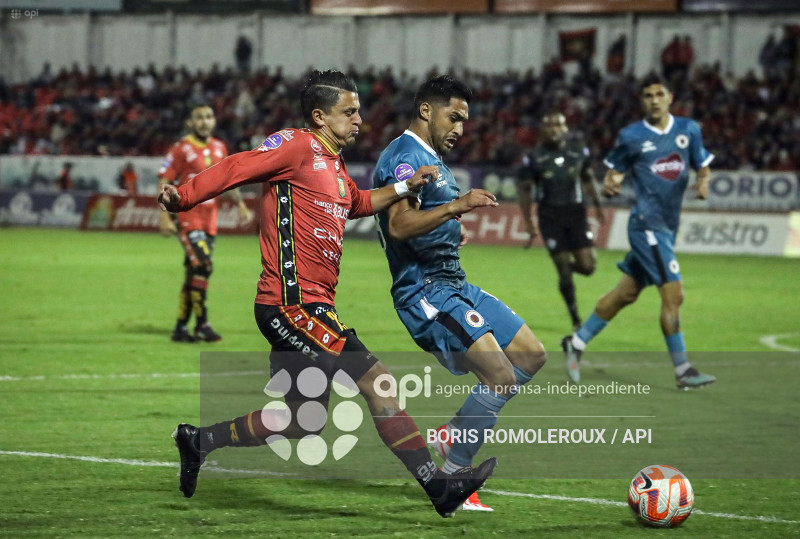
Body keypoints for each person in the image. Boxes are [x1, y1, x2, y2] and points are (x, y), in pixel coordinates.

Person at [158, 70, 495, 518]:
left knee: (303, 420)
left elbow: (355, 202)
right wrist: (184, 196)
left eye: (358, 111)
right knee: (378, 382)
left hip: (308, 306)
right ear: (319, 116)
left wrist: (405, 187)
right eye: (349, 112)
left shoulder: (333, 166)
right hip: (291, 303)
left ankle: (198, 441)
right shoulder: (295, 146)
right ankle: (439, 487)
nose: (359, 120)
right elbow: (237, 166)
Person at [373, 75, 547, 512]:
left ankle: (453, 435)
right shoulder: (405, 156)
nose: (460, 129)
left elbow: (426, 220)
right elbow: (397, 225)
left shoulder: (434, 158)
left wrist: (451, 228)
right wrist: (455, 207)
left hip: (454, 281)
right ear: (427, 110)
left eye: (465, 121)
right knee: (501, 376)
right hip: (426, 291)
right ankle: (455, 475)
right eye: (454, 117)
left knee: (530, 353)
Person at [561, 74, 716, 390]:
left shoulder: (689, 129)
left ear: (670, 97)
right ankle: (683, 371)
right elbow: (613, 172)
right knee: (674, 294)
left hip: (667, 228)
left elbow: (703, 164)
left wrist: (703, 181)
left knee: (626, 294)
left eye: (660, 93)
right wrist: (611, 183)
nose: (654, 99)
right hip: (647, 225)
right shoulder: (631, 136)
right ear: (642, 101)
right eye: (648, 95)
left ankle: (576, 343)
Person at [158, 104, 253, 343]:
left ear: (214, 121)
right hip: (186, 218)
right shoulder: (181, 149)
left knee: (194, 271)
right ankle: (202, 325)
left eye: (208, 117)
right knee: (203, 265)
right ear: (190, 122)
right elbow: (165, 179)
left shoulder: (220, 147)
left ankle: (180, 327)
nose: (204, 121)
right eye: (199, 118)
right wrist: (163, 216)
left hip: (209, 221)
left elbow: (228, 180)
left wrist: (240, 204)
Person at [518, 112, 605, 332]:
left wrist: (598, 207)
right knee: (564, 272)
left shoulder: (578, 151)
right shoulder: (534, 157)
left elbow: (587, 178)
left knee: (588, 267)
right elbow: (525, 190)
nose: (554, 129)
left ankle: (565, 264)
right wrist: (528, 221)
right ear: (543, 130)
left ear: (565, 128)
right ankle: (575, 317)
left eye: (558, 125)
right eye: (549, 125)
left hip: (576, 214)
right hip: (549, 216)